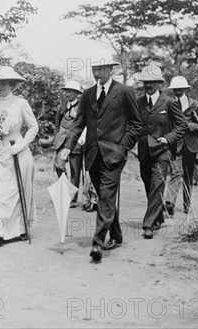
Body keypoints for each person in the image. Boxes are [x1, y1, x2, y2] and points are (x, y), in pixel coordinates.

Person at [63, 58, 142, 262]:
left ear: (110, 69)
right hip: (92, 154)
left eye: (101, 69)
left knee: (106, 197)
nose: (97, 73)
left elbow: (135, 124)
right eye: (94, 69)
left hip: (114, 155)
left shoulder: (124, 92)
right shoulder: (88, 94)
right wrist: (67, 147)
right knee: (105, 197)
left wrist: (122, 147)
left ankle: (98, 243)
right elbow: (79, 123)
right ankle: (116, 234)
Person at [0, 66, 39, 248]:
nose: (0, 86)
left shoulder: (21, 103)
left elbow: (33, 127)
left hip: (15, 151)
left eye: (4, 83)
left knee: (12, 193)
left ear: (12, 84)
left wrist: (19, 146)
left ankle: (17, 229)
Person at [136, 66, 187, 239]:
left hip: (162, 152)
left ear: (159, 83)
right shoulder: (138, 102)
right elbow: (134, 126)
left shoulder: (169, 102)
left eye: (152, 82)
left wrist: (168, 138)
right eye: (146, 82)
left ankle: (148, 224)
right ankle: (157, 216)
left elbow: (182, 126)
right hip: (143, 152)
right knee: (149, 184)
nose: (148, 85)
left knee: (157, 184)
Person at [164, 76, 198, 215]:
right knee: (175, 172)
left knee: (189, 175)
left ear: (185, 89)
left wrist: (190, 126)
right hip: (175, 143)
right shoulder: (168, 104)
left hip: (191, 144)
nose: (178, 92)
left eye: (180, 89)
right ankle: (170, 202)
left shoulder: (195, 104)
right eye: (175, 89)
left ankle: (186, 204)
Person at [53, 80, 84, 207]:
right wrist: (56, 137)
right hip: (62, 142)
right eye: (66, 91)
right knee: (59, 166)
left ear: (77, 93)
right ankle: (64, 191)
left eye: (70, 91)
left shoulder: (82, 108)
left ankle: (72, 199)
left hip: (75, 143)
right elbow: (57, 124)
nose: (67, 94)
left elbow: (84, 124)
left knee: (75, 171)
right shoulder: (62, 106)